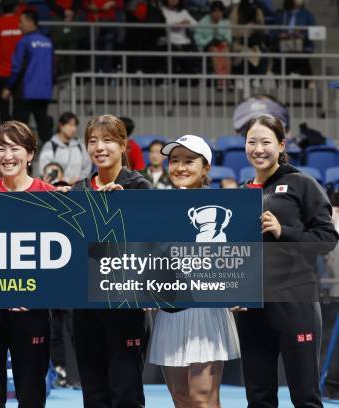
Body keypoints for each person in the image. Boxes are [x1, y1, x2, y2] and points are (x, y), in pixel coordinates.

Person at [237, 114, 338, 407]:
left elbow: (327, 239)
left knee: (305, 396)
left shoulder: (302, 184)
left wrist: (285, 231)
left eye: (266, 142)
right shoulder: (242, 194)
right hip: (253, 305)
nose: (258, 148)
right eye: (251, 142)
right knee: (258, 397)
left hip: (295, 300)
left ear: (281, 145)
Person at [0, 121, 55, 408]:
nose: (7, 155)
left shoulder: (51, 195)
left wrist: (36, 292)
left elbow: (60, 260)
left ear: (30, 154)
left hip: (32, 309)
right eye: (0, 148)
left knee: (31, 395)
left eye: (15, 148)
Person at [148, 134, 241, 408]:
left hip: (207, 313)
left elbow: (239, 260)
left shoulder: (227, 208)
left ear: (206, 168)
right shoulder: (155, 207)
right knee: (181, 398)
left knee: (203, 398)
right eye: (175, 160)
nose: (180, 167)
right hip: (170, 312)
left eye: (189, 161)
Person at [71, 114, 152, 408]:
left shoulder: (137, 187)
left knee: (126, 392)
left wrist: (119, 211)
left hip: (125, 307)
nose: (99, 147)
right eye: (93, 141)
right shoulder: (79, 191)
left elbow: (149, 243)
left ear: (123, 145)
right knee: (93, 394)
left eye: (107, 140)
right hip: (86, 308)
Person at [3, 9, 54, 144]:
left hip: (25, 92)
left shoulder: (24, 42)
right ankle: (53, 160)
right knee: (44, 128)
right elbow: (54, 68)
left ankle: (21, 162)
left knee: (18, 132)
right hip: (44, 93)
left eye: (21, 22)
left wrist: (9, 87)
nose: (19, 25)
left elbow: (17, 67)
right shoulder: (48, 42)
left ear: (30, 22)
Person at [0, 0, 23, 123]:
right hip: (19, 73)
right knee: (19, 108)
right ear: (16, 7)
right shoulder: (22, 23)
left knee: (3, 108)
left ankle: (4, 137)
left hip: (2, 72)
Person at [38, 112, 91, 184]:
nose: (74, 128)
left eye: (75, 125)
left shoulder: (80, 146)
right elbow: (44, 169)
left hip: (77, 189)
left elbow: (87, 167)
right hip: (56, 190)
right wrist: (60, 181)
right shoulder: (50, 145)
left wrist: (77, 180)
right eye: (70, 125)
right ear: (60, 125)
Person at [194, 1, 232, 90]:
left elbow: (229, 37)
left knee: (225, 50)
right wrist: (209, 40)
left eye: (219, 11)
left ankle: (228, 80)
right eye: (215, 11)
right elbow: (198, 38)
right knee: (214, 50)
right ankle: (219, 81)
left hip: (222, 45)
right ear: (211, 12)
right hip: (207, 46)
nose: (217, 14)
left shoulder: (225, 22)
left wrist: (225, 42)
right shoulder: (203, 21)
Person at [274, 0, 316, 82]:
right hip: (284, 44)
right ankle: (282, 80)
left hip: (301, 45)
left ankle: (309, 82)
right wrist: (281, 35)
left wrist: (302, 35)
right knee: (282, 59)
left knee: (302, 58)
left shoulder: (307, 15)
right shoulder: (282, 14)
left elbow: (312, 31)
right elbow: (275, 30)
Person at [161, 0, 200, 76]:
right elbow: (166, 26)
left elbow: (195, 25)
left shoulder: (183, 12)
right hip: (169, 42)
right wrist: (179, 24)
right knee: (176, 53)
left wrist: (187, 22)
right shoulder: (162, 10)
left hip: (185, 42)